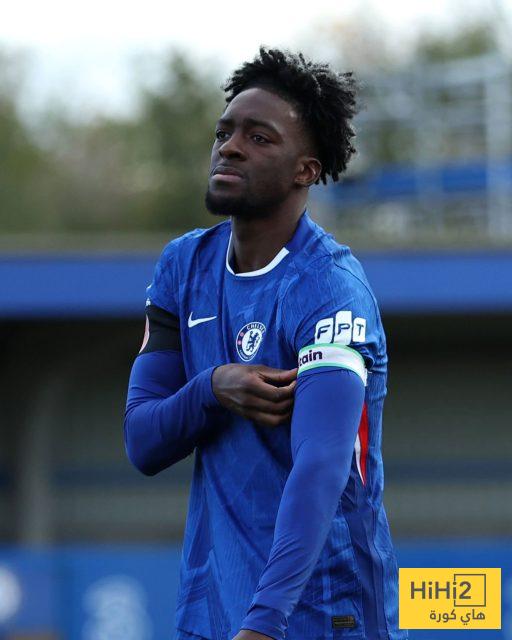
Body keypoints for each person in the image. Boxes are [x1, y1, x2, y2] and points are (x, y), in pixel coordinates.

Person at [124, 47, 406, 640]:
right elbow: (143, 441)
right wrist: (211, 388)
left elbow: (321, 464)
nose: (229, 148)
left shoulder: (330, 290)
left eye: (258, 138)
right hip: (211, 612)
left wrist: (264, 622)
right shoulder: (183, 266)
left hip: (323, 614)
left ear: (306, 170)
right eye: (224, 132)